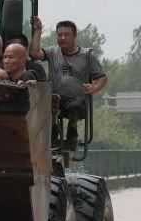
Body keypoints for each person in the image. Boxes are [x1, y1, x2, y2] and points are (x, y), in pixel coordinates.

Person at [30, 17, 108, 149]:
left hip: (77, 100)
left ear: (74, 36)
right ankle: (53, 132)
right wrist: (38, 31)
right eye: (59, 35)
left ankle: (72, 127)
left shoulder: (86, 56)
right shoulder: (53, 52)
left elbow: (102, 77)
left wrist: (94, 88)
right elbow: (34, 53)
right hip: (56, 99)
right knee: (46, 102)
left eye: (66, 35)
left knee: (77, 105)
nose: (62, 38)